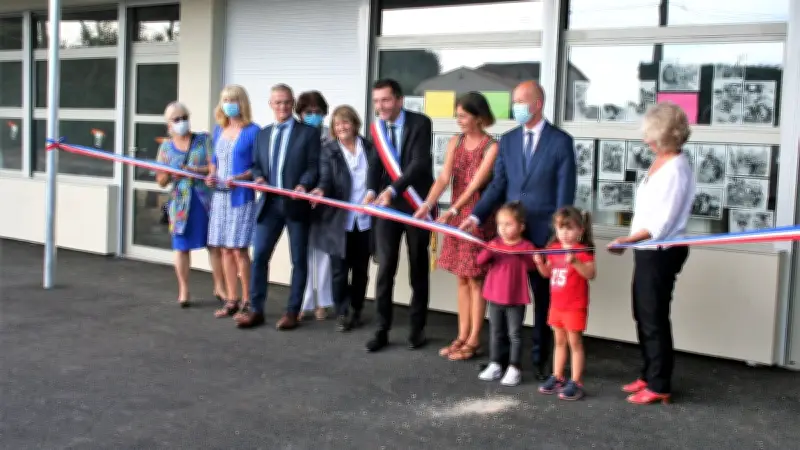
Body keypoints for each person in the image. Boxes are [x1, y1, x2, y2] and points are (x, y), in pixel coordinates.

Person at [461, 80, 577, 380]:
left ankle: (540, 359)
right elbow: (499, 185)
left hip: (542, 235)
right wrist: (475, 216)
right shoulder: (509, 140)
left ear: (537, 105)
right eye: (515, 101)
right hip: (508, 237)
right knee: (502, 299)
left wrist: (558, 236)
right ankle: (499, 359)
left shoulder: (560, 142)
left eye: (522, 102)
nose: (517, 107)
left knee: (542, 300)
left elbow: (565, 194)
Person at [607, 102, 695, 405]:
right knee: (642, 313)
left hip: (661, 250)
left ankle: (660, 384)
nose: (646, 141)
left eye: (652, 136)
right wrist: (632, 242)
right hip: (646, 248)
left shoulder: (676, 170)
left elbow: (663, 223)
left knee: (654, 316)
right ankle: (648, 373)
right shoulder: (661, 161)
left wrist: (627, 241)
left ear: (667, 136)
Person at [414, 92, 498, 361]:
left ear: (479, 117)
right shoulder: (455, 141)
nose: (458, 120)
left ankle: (475, 339)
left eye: (463, 115)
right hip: (456, 214)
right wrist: (427, 204)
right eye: (457, 115)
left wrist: (452, 209)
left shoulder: (491, 147)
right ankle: (461, 335)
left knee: (475, 278)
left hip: (476, 218)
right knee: (461, 278)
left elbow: (475, 184)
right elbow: (443, 178)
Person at [235, 84, 321, 330]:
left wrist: (304, 185)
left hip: (296, 205)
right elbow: (257, 165)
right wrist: (259, 177)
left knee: (298, 260)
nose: (282, 107)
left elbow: (314, 167)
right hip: (270, 205)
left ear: (292, 103)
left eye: (286, 102)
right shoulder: (263, 134)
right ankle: (256, 309)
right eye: (277, 102)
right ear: (270, 105)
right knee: (260, 255)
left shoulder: (308, 133)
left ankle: (292, 312)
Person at [362, 78, 434, 352]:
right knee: (386, 267)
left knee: (418, 266)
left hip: (415, 203)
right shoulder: (377, 128)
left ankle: (417, 330)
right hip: (387, 204)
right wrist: (371, 190)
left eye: (386, 100)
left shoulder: (420, 123)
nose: (381, 106)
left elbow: (418, 164)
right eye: (377, 101)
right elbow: (375, 163)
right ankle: (381, 330)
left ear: (399, 100)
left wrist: (393, 189)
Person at [309, 105, 375, 331]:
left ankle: (356, 308)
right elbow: (325, 179)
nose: (342, 127)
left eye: (346, 122)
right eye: (337, 124)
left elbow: (377, 177)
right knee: (339, 270)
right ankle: (342, 312)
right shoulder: (329, 150)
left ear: (355, 124)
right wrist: (320, 190)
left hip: (365, 219)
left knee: (361, 270)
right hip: (339, 220)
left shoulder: (369, 147)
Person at [155, 101, 226, 307]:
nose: (182, 122)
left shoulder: (204, 140)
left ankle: (219, 286)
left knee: (214, 245)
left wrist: (194, 170)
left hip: (205, 201)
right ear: (169, 125)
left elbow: (215, 167)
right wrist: (169, 173)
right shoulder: (166, 148)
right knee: (181, 247)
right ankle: (184, 290)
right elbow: (160, 181)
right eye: (176, 119)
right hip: (180, 205)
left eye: (184, 117)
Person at [206, 85, 261, 319]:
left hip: (240, 198)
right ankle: (231, 298)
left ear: (242, 103)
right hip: (220, 198)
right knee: (225, 250)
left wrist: (240, 177)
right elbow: (214, 162)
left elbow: (258, 166)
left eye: (233, 100)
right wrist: (211, 174)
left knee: (239, 250)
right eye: (225, 99)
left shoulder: (253, 131)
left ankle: (248, 299)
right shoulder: (219, 130)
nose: (229, 104)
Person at [534, 207, 596, 401]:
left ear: (580, 230)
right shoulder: (553, 250)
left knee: (574, 343)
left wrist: (575, 261)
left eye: (570, 228)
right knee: (559, 342)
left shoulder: (583, 251)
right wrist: (539, 263)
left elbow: (591, 274)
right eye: (561, 228)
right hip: (557, 305)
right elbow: (547, 274)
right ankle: (558, 376)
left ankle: (576, 381)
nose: (564, 233)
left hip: (574, 306)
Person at [476, 202, 536, 386]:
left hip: (515, 298)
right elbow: (480, 261)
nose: (502, 228)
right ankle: (495, 363)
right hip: (494, 296)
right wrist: (489, 250)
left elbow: (533, 266)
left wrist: (534, 258)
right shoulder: (495, 243)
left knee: (515, 334)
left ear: (521, 227)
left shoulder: (526, 246)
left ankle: (514, 367)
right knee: (495, 332)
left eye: (508, 224)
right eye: (500, 224)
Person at [296, 90, 335, 321]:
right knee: (302, 254)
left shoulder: (331, 137)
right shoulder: (295, 135)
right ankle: (304, 302)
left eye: (317, 112)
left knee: (323, 254)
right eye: (308, 112)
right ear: (299, 114)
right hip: (301, 200)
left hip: (325, 201)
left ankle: (323, 302)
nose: (313, 116)